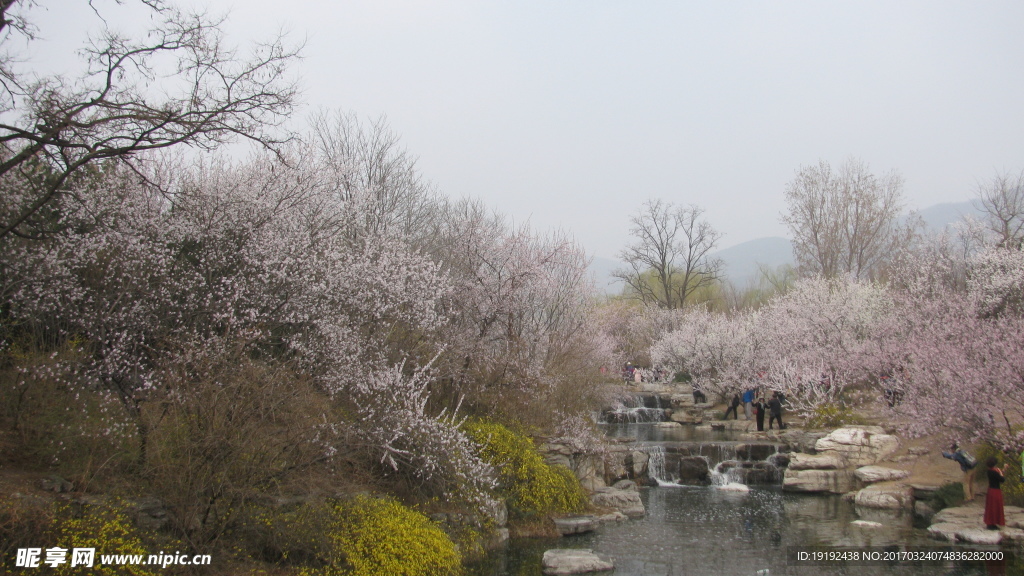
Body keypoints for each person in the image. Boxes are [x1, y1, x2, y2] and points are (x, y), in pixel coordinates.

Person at [984, 457, 1008, 530]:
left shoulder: (989, 471)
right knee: (996, 507)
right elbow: (1002, 479)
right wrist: (1002, 471)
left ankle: (990, 522)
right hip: (996, 491)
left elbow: (998, 475)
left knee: (990, 507)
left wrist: (1003, 470)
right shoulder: (995, 472)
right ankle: (993, 523)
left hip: (990, 490)